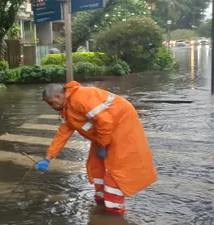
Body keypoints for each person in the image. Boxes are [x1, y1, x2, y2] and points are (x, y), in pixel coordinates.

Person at [35, 81, 157, 215]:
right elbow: (62, 135)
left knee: (115, 170)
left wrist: (102, 145)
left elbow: (106, 121)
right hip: (103, 132)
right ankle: (102, 199)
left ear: (58, 96)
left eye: (51, 103)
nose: (51, 107)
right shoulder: (67, 109)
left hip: (121, 128)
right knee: (96, 165)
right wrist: (48, 158)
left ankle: (114, 211)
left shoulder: (81, 97)